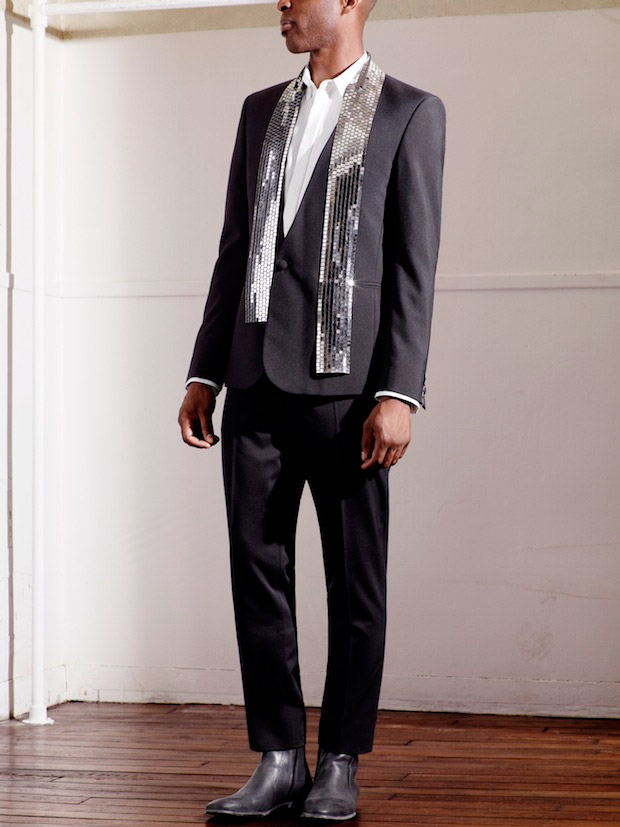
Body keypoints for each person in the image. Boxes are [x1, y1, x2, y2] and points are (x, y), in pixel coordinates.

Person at [177, 0, 446, 819]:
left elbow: (414, 264)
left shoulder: (410, 112)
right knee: (256, 570)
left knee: (354, 580)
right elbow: (234, 249)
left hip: (350, 393)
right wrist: (204, 370)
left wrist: (399, 392)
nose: (283, 6)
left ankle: (340, 761)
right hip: (254, 378)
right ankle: (278, 756)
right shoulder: (259, 111)